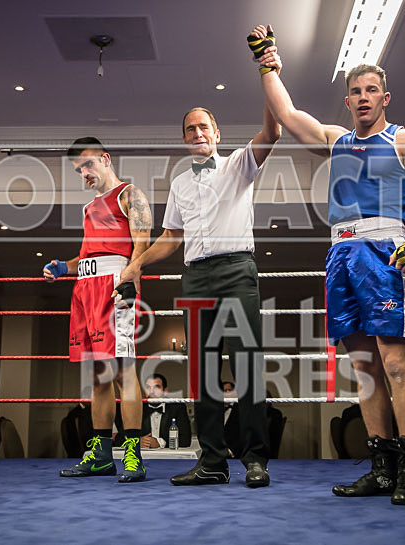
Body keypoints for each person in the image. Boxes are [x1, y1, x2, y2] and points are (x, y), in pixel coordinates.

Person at [250, 24, 405, 504]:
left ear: (385, 98)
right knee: (364, 367)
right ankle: (381, 469)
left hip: (386, 252)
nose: (363, 98)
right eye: (356, 91)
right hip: (341, 254)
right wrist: (267, 63)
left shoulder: (403, 138)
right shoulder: (336, 140)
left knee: (395, 362)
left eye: (371, 90)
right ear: (348, 100)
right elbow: (287, 114)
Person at [118, 98, 281, 488]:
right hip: (195, 276)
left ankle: (255, 460)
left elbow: (272, 133)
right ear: (184, 139)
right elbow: (171, 237)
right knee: (202, 372)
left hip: (236, 270)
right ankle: (212, 461)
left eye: (203, 126)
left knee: (246, 366)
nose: (197, 133)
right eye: (190, 129)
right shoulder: (179, 183)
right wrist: (137, 263)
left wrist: (268, 79)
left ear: (217, 134)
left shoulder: (238, 164)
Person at [45, 137, 152, 483]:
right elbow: (89, 255)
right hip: (85, 289)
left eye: (88, 165)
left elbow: (142, 243)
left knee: (123, 371)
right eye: (78, 170)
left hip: (114, 287)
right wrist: (63, 267)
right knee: (97, 375)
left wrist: (130, 280)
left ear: (105, 159)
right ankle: (102, 456)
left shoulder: (129, 195)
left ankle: (133, 454)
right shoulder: (89, 208)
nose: (84, 174)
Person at [140, 374, 191, 449]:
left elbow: (185, 440)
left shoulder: (177, 408)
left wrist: (160, 443)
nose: (151, 391)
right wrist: (137, 442)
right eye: (148, 387)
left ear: (165, 391)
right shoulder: (138, 409)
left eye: (156, 387)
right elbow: (123, 437)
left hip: (171, 455)